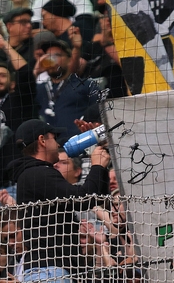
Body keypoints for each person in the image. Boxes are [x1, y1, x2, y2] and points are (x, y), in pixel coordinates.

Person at [8, 119, 111, 282]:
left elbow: (97, 196)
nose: (57, 144)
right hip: (49, 272)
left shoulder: (34, 173)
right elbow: (83, 199)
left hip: (52, 270)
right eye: (54, 138)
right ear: (42, 140)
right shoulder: (37, 173)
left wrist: (100, 156)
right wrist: (97, 166)